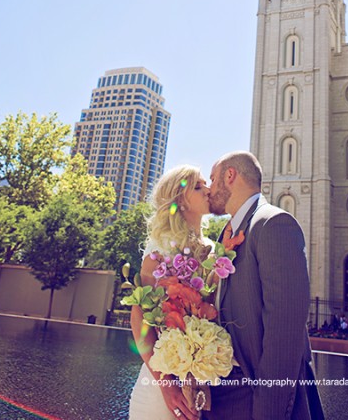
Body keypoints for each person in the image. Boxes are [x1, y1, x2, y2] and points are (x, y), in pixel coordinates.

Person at [204, 151, 325, 420]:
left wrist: (268, 413)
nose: (209, 189)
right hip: (224, 397)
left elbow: (284, 336)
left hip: (255, 402)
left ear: (230, 176)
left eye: (212, 179)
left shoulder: (273, 224)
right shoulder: (228, 234)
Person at [129, 165, 211, 420]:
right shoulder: (159, 250)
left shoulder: (214, 251)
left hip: (201, 386)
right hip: (159, 393)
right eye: (198, 187)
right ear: (180, 201)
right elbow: (139, 323)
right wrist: (167, 386)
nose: (208, 190)